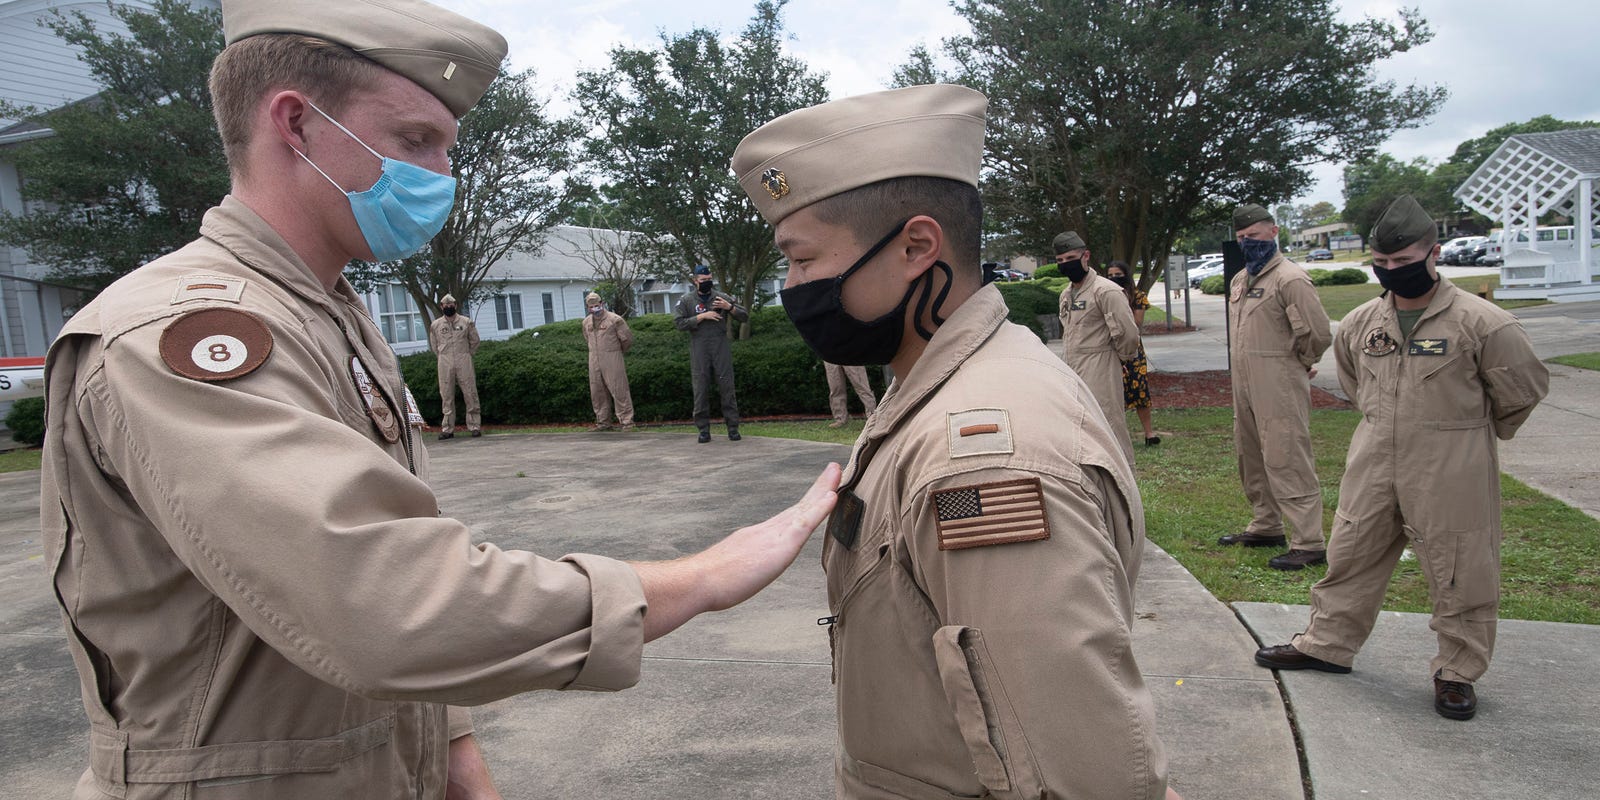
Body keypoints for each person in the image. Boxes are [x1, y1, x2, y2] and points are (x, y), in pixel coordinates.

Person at [36, 3, 840, 798]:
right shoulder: (180, 337)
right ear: (295, 123)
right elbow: (389, 605)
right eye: (414, 140)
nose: (440, 176)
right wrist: (699, 578)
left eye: (446, 149)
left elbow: (394, 543)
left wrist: (454, 749)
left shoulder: (331, 316)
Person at [733, 83, 1176, 800]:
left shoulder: (983, 458)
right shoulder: (948, 381)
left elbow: (1074, 761)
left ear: (915, 247)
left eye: (804, 259)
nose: (793, 286)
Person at [1254, 194, 1548, 721]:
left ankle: (1456, 672)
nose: (1393, 271)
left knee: (1459, 568)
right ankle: (1327, 644)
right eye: (1383, 263)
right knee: (1350, 551)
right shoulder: (1364, 321)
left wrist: (1467, 436)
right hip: (1374, 455)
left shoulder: (1484, 323)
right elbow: (1351, 379)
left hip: (1450, 460)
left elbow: (1521, 391)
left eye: (1405, 262)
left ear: (1433, 254)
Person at [1216, 204, 1334, 570]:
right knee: (1250, 454)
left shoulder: (1290, 279)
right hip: (1244, 381)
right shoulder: (1241, 280)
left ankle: (1309, 540)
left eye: (1253, 236)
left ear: (1273, 231)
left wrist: (1298, 364)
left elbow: (1317, 333)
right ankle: (1266, 524)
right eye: (1240, 238)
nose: (1247, 242)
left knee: (1287, 456)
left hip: (1278, 382)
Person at [1055, 231, 1141, 462]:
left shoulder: (1106, 290)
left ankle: (1124, 487)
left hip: (1101, 367)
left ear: (1086, 256)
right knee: (1082, 431)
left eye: (1070, 258)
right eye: (1060, 261)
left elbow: (1129, 334)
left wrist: (1121, 359)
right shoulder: (1066, 295)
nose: (1066, 264)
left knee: (1109, 428)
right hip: (1073, 369)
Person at [674, 264, 748, 442]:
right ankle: (703, 430)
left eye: (709, 280)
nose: (706, 283)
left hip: (720, 346)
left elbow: (744, 316)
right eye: (703, 280)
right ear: (695, 281)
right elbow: (678, 323)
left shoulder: (720, 297)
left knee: (727, 387)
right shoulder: (687, 300)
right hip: (699, 348)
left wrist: (729, 307)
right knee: (700, 389)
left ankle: (732, 428)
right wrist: (701, 317)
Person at [1106, 260, 1160, 446]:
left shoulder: (1137, 296)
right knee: (1113, 392)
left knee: (1140, 391)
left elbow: (1136, 323)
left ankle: (1149, 433)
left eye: (1117, 274)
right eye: (1110, 275)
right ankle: (1118, 436)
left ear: (1126, 275)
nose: (1114, 278)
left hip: (1132, 349)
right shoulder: (1105, 296)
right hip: (1110, 348)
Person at [582, 291, 635, 431]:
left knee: (619, 389)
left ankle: (627, 422)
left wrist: (616, 352)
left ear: (602, 303)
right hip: (593, 358)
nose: (594, 308)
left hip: (612, 356)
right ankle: (603, 422)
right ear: (587, 307)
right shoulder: (586, 322)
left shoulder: (615, 320)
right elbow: (587, 338)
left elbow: (627, 339)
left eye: (596, 305)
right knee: (597, 391)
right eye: (591, 306)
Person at [431, 292, 481, 438]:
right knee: (446, 394)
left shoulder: (466, 322)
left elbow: (475, 341)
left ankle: (474, 426)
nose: (448, 306)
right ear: (441, 307)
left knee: (470, 392)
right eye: (445, 304)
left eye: (451, 304)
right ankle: (447, 429)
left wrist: (466, 354)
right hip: (444, 361)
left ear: (456, 305)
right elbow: (434, 345)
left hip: (463, 359)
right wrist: (442, 356)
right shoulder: (435, 325)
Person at [823, 361, 877, 428]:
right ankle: (840, 420)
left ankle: (872, 418)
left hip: (851, 353)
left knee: (862, 386)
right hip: (830, 354)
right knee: (835, 388)